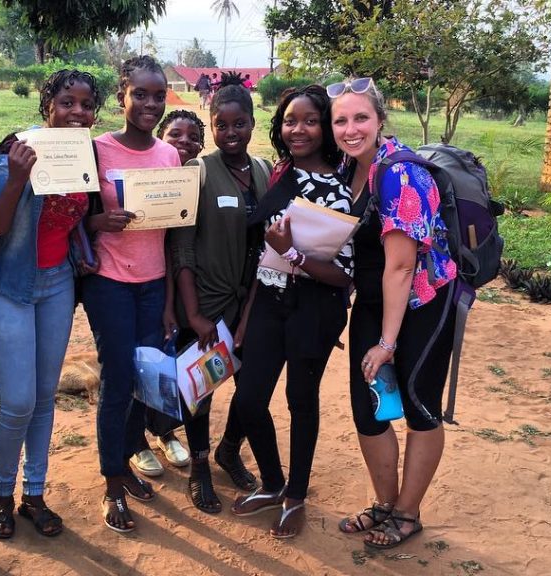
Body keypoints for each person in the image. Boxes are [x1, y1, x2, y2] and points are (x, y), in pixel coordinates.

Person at [330, 77, 458, 550]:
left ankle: (407, 512)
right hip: (373, 300)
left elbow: (402, 267)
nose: (350, 128)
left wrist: (387, 343)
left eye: (360, 117)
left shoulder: (401, 174)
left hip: (423, 302)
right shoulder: (350, 167)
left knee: (419, 403)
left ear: (380, 120)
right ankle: (384, 503)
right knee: (369, 406)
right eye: (340, 120)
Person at [0, 69, 103, 540]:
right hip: (9, 286)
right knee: (17, 401)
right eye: (66, 103)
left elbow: (76, 221)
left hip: (56, 285)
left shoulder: (83, 157)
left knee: (44, 398)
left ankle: (34, 495)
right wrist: (16, 179)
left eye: (86, 104)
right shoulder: (16, 152)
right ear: (47, 106)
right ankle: (1, 496)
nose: (77, 113)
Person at [228, 84, 353, 539]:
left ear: (324, 128)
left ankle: (295, 495)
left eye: (309, 121)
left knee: (301, 402)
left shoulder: (338, 191)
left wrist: (293, 255)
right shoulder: (282, 173)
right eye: (289, 120)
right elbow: (262, 254)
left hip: (313, 310)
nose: (297, 129)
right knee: (248, 399)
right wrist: (246, 315)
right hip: (268, 302)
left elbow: (344, 276)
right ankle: (273, 481)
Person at [80, 55, 181, 533]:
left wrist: (166, 303)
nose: (150, 103)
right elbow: (69, 213)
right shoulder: (97, 150)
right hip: (110, 283)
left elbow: (174, 232)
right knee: (118, 381)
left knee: (146, 380)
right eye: (140, 94)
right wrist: (97, 222)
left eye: (158, 95)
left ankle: (126, 457)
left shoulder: (169, 155)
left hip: (153, 283)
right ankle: (113, 484)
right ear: (122, 95)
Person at [168, 73, 274, 514]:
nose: (231, 133)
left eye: (239, 124)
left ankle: (229, 450)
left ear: (253, 124)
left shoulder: (265, 171)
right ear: (213, 126)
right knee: (201, 390)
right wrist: (193, 314)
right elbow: (182, 245)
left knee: (252, 390)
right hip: (208, 305)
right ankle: (199, 467)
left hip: (254, 302)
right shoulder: (199, 172)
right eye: (221, 125)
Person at [128, 109, 207, 479]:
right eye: (175, 135)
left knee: (167, 366)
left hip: (176, 287)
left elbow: (180, 247)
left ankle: (163, 429)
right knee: (138, 361)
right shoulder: (146, 177)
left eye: (193, 137)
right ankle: (136, 442)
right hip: (139, 283)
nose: (184, 143)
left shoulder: (197, 182)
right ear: (161, 138)